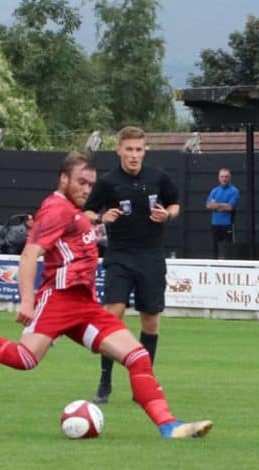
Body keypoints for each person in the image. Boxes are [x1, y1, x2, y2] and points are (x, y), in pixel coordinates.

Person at [0, 151, 211, 439]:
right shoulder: (55, 209)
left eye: (91, 184)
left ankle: (169, 426)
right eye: (81, 182)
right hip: (59, 300)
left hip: (85, 305)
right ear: (63, 179)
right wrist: (27, 301)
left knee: (138, 356)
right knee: (24, 358)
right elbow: (30, 255)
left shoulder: (76, 212)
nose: (87, 188)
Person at [83, 126, 180, 405]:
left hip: (151, 256)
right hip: (120, 256)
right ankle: (105, 382)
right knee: (112, 317)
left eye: (139, 150)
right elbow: (88, 211)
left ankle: (143, 384)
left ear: (144, 150)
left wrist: (167, 215)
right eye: (129, 150)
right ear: (119, 150)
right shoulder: (108, 181)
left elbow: (175, 205)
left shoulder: (158, 176)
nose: (134, 155)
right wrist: (102, 218)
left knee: (150, 321)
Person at [205, 168, 240, 259]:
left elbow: (229, 207)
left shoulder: (234, 191)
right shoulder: (214, 190)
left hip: (227, 224)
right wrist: (223, 205)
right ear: (219, 178)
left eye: (226, 177)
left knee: (228, 251)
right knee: (214, 250)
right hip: (215, 224)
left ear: (230, 178)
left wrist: (216, 205)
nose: (224, 179)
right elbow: (208, 205)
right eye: (222, 177)